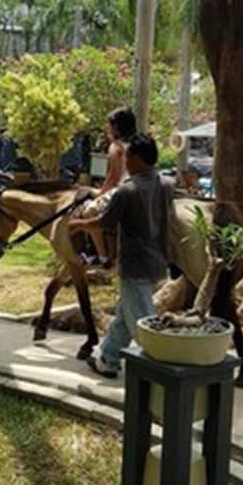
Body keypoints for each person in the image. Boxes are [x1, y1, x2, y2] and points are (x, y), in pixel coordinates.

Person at [68, 133, 173, 378]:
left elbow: (105, 222)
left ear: (136, 158)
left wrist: (79, 225)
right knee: (125, 314)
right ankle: (108, 359)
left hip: (135, 265)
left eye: (127, 157)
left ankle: (160, 371)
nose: (124, 162)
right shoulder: (167, 184)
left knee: (143, 324)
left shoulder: (127, 191)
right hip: (159, 262)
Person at [77, 107, 137, 265]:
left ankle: (102, 256)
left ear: (116, 126)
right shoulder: (138, 143)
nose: (107, 128)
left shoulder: (115, 147)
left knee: (89, 211)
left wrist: (100, 193)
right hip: (140, 186)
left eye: (109, 124)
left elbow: (113, 177)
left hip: (123, 189)